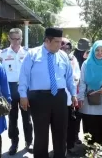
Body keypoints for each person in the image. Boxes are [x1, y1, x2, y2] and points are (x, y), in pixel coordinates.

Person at [19, 27, 77, 158]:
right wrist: (23, 95)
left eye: (61, 42)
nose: (60, 45)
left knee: (61, 132)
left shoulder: (63, 56)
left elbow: (69, 77)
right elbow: (24, 76)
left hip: (59, 97)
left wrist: (73, 94)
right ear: (47, 40)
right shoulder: (33, 54)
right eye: (57, 42)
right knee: (41, 134)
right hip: (39, 98)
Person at [78, 40, 102, 147]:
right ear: (93, 50)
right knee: (89, 120)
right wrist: (80, 97)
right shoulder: (86, 64)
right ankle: (90, 143)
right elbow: (82, 82)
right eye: (97, 50)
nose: (100, 53)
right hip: (88, 96)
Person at [0, 28, 33, 155]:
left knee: (27, 117)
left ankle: (29, 141)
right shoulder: (3, 54)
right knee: (12, 118)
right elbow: (0, 74)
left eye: (18, 39)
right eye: (13, 38)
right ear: (9, 38)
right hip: (10, 88)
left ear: (21, 39)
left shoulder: (27, 53)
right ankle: (14, 142)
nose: (15, 41)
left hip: (25, 88)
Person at [60, 38, 81, 154]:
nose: (66, 49)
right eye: (63, 47)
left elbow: (77, 73)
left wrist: (74, 79)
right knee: (60, 126)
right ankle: (60, 148)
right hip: (59, 98)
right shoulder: (55, 58)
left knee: (71, 123)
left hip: (71, 96)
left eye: (68, 47)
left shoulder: (73, 59)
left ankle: (70, 146)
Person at [71, 38, 91, 142]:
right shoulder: (73, 58)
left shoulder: (90, 57)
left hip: (87, 90)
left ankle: (87, 136)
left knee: (86, 115)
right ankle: (75, 136)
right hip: (77, 90)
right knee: (77, 115)